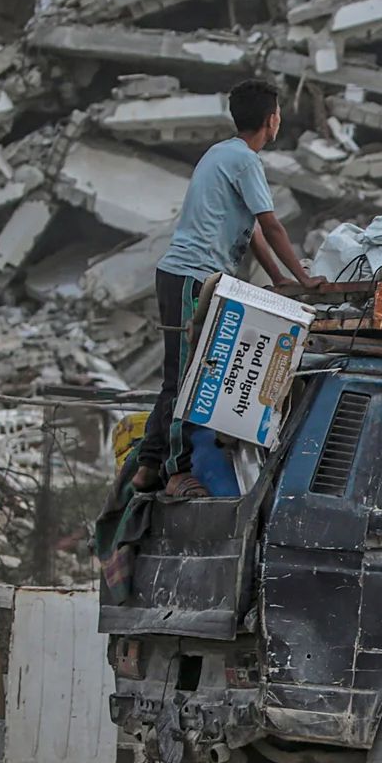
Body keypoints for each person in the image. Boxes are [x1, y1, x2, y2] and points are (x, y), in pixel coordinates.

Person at [132, 79, 321, 498]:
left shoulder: (222, 154)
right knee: (187, 379)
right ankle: (176, 471)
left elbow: (253, 231)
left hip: (185, 276)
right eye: (278, 114)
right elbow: (271, 225)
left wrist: (280, 278)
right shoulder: (245, 161)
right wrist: (305, 279)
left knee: (178, 376)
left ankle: (147, 467)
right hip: (191, 277)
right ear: (271, 120)